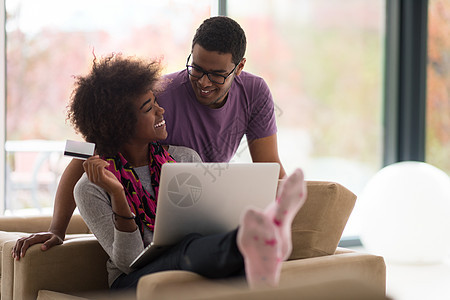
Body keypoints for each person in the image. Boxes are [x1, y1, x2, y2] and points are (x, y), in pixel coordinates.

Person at [12, 16, 286, 257]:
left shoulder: (254, 93)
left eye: (216, 75)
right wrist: (56, 230)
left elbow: (269, 166)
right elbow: (88, 152)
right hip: (152, 212)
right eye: (197, 69)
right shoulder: (158, 95)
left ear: (239, 69)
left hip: (200, 203)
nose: (203, 82)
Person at [30, 54, 305, 290]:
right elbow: (128, 263)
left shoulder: (184, 158)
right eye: (150, 108)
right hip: (131, 282)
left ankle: (256, 242)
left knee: (196, 245)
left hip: (188, 258)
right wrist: (114, 194)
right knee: (187, 251)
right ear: (121, 125)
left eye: (218, 74)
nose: (162, 109)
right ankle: (251, 242)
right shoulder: (92, 187)